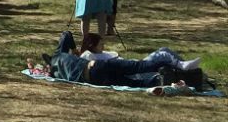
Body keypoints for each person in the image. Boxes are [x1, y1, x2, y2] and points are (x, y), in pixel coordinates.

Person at [35, 31, 209, 91]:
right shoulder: (59, 55)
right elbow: (66, 34)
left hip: (95, 79)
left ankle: (170, 79)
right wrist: (72, 50)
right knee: (141, 66)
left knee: (137, 84)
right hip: (97, 67)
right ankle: (180, 66)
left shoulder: (57, 72)